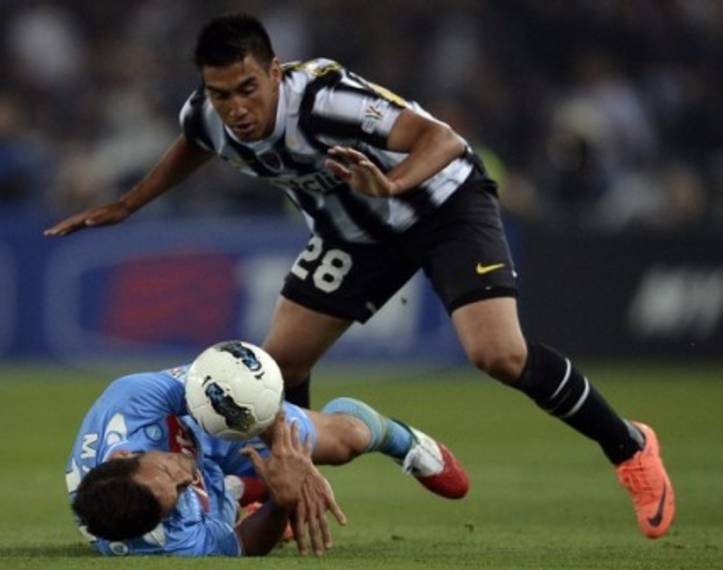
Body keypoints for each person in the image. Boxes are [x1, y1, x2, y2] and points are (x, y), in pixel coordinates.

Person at [47, 13, 674, 539]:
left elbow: (444, 140)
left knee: (498, 354)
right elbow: (194, 140)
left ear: (275, 71)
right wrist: (128, 204)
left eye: (247, 89)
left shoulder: (323, 101)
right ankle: (285, 487)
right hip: (355, 235)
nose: (236, 109)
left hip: (442, 207)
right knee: (277, 367)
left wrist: (393, 183)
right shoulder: (208, 116)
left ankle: (630, 446)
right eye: (221, 94)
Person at [66, 340, 469, 557]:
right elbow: (244, 545)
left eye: (169, 472)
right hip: (215, 490)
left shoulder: (130, 402)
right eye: (178, 493)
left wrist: (295, 459)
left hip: (214, 426)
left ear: (124, 456)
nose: (186, 476)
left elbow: (229, 379)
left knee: (346, 441)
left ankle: (396, 437)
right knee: (253, 512)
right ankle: (245, 497)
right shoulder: (166, 541)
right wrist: (282, 500)